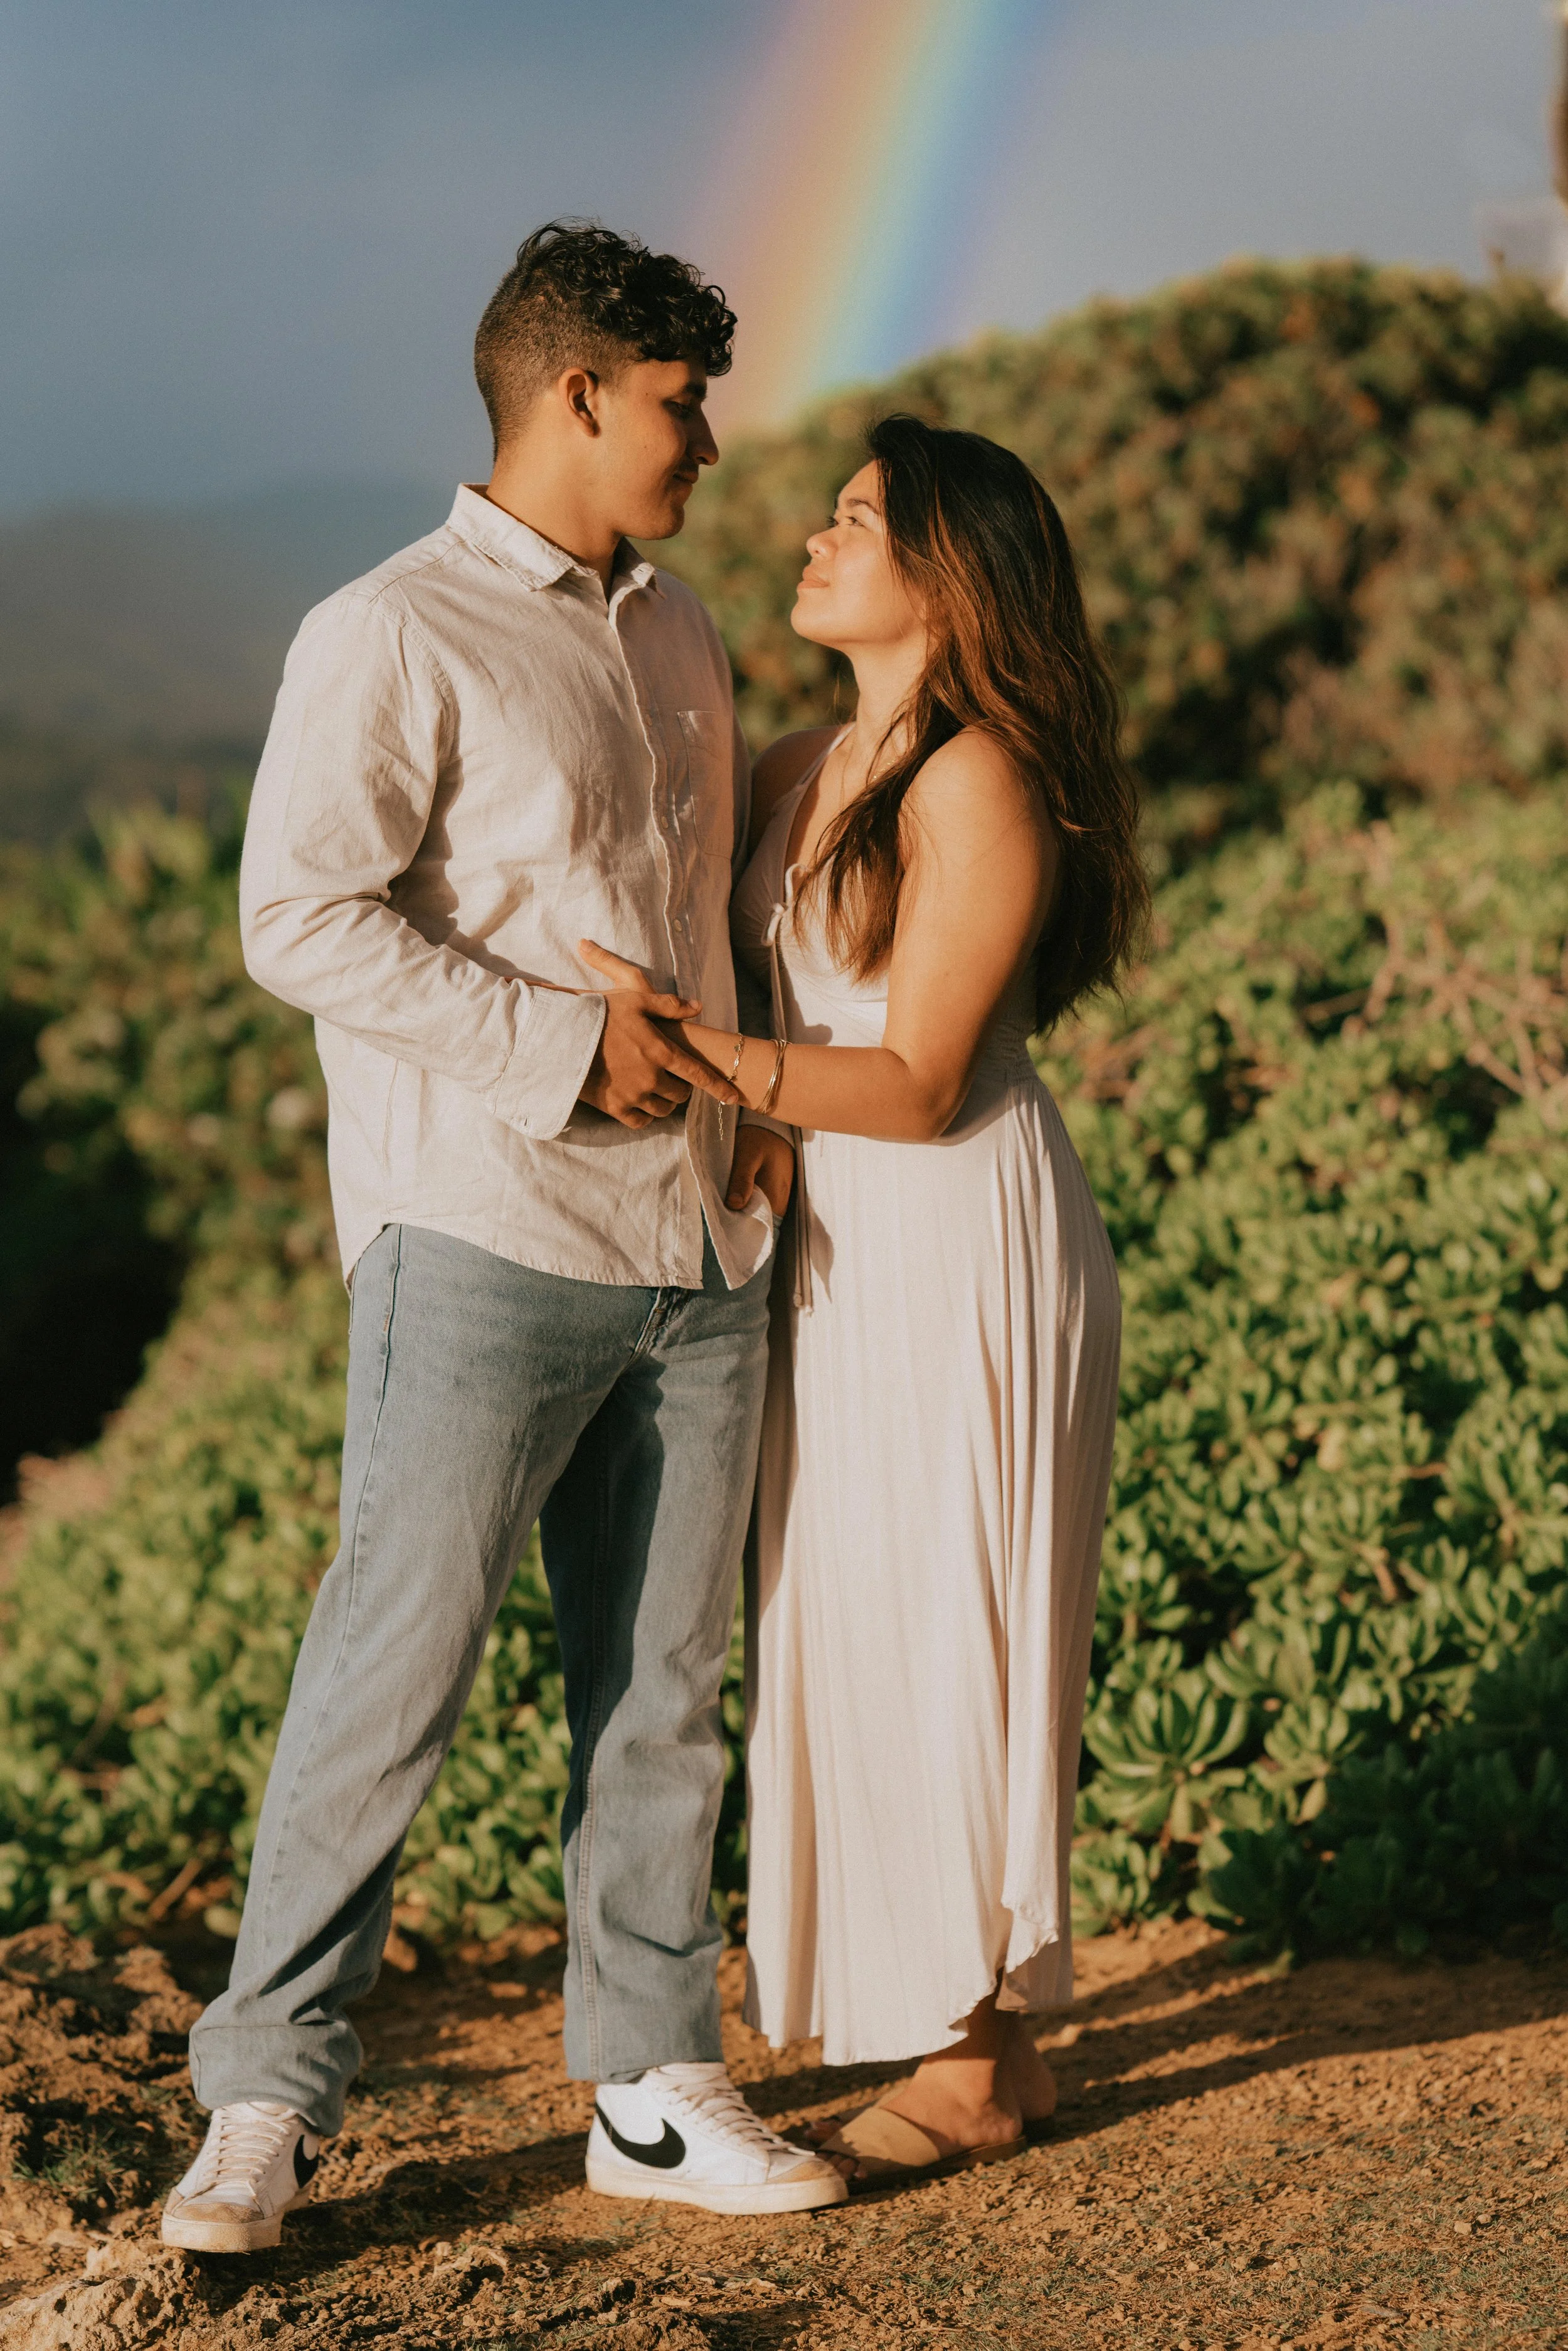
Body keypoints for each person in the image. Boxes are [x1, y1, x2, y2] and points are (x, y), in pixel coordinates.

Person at [162, 221, 846, 2255]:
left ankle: (644, 2083)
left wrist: (760, 1097)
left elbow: (703, 911)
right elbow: (296, 918)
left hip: (699, 1249)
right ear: (571, 394)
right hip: (478, 1231)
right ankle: (263, 2099)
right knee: (391, 1670)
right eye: (678, 403)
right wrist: (560, 1050)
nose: (706, 440)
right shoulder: (384, 630)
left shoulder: (687, 630)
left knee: (661, 1685)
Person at [588, 413, 1143, 2184]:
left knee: (951, 1608)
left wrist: (693, 1062)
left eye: (855, 521)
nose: (814, 542)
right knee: (850, 1605)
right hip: (834, 1243)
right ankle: (970, 2020)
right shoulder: (803, 762)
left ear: (946, 572)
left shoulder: (975, 777)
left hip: (960, 1235)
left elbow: (913, 1076)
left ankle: (979, 2057)